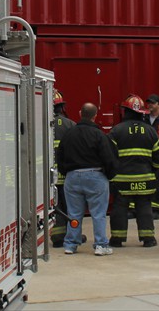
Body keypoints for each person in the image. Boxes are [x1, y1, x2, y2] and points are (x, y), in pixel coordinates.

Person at [56, 103, 118, 256]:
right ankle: (100, 245)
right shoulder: (99, 135)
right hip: (96, 177)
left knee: (74, 213)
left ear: (79, 113)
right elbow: (108, 158)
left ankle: (70, 244)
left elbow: (60, 156)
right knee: (98, 213)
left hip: (72, 177)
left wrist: (67, 172)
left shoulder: (69, 134)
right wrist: (109, 175)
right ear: (95, 116)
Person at [108, 94, 159, 248]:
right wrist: (154, 170)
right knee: (144, 207)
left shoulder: (116, 131)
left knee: (119, 208)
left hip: (122, 180)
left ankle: (117, 239)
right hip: (145, 178)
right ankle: (148, 239)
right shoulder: (150, 131)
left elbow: (109, 156)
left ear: (125, 111)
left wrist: (111, 174)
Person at [51, 89, 76, 247]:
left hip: (48, 176)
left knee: (54, 206)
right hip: (66, 174)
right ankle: (72, 234)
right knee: (71, 205)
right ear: (61, 107)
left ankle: (56, 236)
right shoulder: (71, 125)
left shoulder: (40, 122)